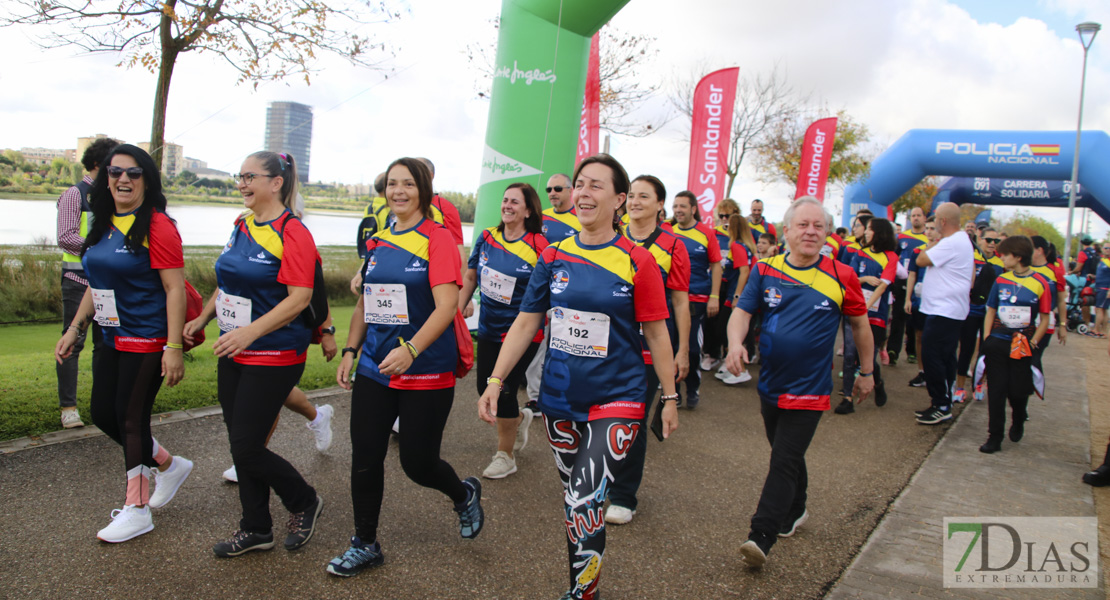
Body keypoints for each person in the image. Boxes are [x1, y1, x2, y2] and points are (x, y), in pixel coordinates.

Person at [477, 154, 679, 600]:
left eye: (596, 186)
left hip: (619, 399)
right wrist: (495, 380)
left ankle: (582, 594)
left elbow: (658, 333)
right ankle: (584, 585)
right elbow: (527, 322)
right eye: (579, 184)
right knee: (577, 497)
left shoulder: (637, 261)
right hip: (560, 400)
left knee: (583, 499)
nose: (583, 193)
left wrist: (668, 397)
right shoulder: (553, 255)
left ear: (620, 200)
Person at [328, 158, 481, 577]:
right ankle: (365, 542)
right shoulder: (377, 242)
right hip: (377, 368)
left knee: (418, 463)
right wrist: (350, 349)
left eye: (408, 184)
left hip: (426, 368)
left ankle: (462, 493)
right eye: (392, 184)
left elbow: (448, 306)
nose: (398, 191)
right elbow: (367, 302)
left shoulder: (438, 239)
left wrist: (411, 350)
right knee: (366, 454)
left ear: (424, 190)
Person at [182, 151, 322, 558]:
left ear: (276, 183)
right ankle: (256, 528)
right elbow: (228, 283)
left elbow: (300, 298)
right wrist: (205, 318)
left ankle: (304, 500)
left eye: (250, 176)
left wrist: (250, 332)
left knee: (245, 447)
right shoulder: (242, 225)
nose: (241, 183)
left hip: (275, 352)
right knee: (243, 443)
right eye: (238, 176)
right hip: (234, 349)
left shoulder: (293, 232)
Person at [724, 196, 874, 568]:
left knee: (783, 460)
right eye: (803, 225)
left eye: (818, 226)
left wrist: (867, 372)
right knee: (785, 454)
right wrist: (734, 344)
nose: (810, 232)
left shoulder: (842, 275)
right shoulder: (764, 270)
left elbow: (860, 326)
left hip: (811, 388)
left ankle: (761, 535)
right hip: (770, 384)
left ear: (826, 234)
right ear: (786, 231)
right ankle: (798, 506)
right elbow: (742, 312)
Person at [54, 144, 193, 543]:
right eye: (115, 173)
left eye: (133, 173)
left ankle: (137, 509)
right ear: (105, 179)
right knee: (103, 414)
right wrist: (75, 328)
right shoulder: (102, 222)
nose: (123, 180)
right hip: (109, 334)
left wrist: (173, 347)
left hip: (147, 338)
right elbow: (96, 283)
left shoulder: (158, 226)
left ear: (146, 179)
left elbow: (174, 289)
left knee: (132, 419)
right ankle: (168, 464)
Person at [606, 173, 690, 525]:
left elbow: (681, 303)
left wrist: (682, 350)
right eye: (632, 196)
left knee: (632, 420)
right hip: (605, 346)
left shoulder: (673, 246)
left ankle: (624, 495)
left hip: (647, 349)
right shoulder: (609, 236)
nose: (635, 202)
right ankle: (599, 479)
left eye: (645, 196)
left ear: (660, 205)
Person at [459, 182, 549, 479]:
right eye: (505, 200)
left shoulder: (539, 246)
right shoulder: (488, 237)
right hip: (488, 328)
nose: (507, 206)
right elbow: (471, 275)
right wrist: (459, 309)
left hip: (523, 333)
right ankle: (520, 419)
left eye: (515, 202)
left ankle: (505, 455)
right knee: (483, 387)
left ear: (528, 210)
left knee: (506, 390)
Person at [55, 136, 118, 429]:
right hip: (77, 279)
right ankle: (68, 408)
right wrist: (101, 249)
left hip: (105, 285)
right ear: (97, 164)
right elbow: (66, 236)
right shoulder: (74, 194)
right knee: (73, 343)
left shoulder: (114, 197)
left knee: (104, 345)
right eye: (112, 164)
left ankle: (101, 405)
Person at [977, 236, 1051, 453]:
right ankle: (995, 436)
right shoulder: (1000, 280)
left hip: (1022, 344)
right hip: (998, 342)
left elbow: (1045, 318)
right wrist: (987, 339)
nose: (1001, 257)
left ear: (1018, 257)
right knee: (997, 390)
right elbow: (991, 310)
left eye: (1005, 254)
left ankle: (1018, 419)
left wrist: (1034, 342)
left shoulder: (1041, 283)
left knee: (1018, 391)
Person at [914, 202, 975, 425]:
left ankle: (940, 403)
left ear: (943, 221)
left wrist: (931, 243)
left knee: (933, 357)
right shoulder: (959, 241)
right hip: (947, 309)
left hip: (945, 311)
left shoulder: (951, 242)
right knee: (946, 357)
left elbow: (920, 260)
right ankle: (943, 402)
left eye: (936, 219)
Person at [526, 173, 581, 415]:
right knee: (537, 343)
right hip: (541, 290)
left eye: (558, 188)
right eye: (549, 189)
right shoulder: (542, 217)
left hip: (571, 293)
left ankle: (566, 393)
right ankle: (535, 397)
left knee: (564, 345)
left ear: (570, 190)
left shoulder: (581, 217)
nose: (552, 193)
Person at [665, 191, 722, 408]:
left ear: (693, 209)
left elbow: (716, 265)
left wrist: (714, 296)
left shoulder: (706, 233)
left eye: (682, 206)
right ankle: (674, 392)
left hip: (697, 299)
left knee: (691, 348)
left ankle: (693, 388)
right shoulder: (667, 231)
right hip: (671, 299)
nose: (678, 210)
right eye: (675, 206)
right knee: (669, 345)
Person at [835, 218, 897, 414]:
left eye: (869, 229)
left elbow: (883, 285)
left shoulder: (891, 258)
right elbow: (850, 277)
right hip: (855, 309)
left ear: (879, 233)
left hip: (876, 313)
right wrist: (864, 280)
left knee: (866, 356)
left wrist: (866, 306)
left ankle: (876, 382)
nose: (866, 233)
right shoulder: (860, 253)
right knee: (850, 355)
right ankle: (847, 398)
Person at [701, 198, 740, 373]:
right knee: (710, 322)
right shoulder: (713, 234)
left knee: (727, 324)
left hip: (733, 285)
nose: (725, 219)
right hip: (714, 284)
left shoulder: (741, 235)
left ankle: (728, 356)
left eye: (728, 216)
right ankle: (711, 353)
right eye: (722, 216)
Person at [888, 207, 928, 365]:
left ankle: (912, 351)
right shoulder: (902, 237)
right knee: (898, 316)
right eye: (913, 216)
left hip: (920, 282)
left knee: (913, 319)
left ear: (925, 218)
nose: (916, 218)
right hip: (902, 280)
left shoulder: (929, 238)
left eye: (919, 215)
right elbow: (893, 257)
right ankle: (893, 351)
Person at [905, 217, 939, 389]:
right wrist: (908, 298)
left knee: (934, 338)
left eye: (933, 228)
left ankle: (936, 373)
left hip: (938, 303)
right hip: (919, 300)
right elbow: (912, 274)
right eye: (928, 228)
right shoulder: (918, 251)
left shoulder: (945, 250)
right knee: (919, 335)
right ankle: (922, 371)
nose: (930, 231)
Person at [1029, 237, 1069, 375]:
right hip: (1023, 319)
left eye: (1030, 247)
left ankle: (1033, 387)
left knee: (1034, 357)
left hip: (1044, 321)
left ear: (1039, 250)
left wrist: (1062, 325)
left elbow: (1061, 300)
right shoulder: (1023, 267)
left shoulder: (1055, 271)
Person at [1091, 242, 1110, 337]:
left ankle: (1097, 330)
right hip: (1099, 287)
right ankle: (1103, 331)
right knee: (1103, 309)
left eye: (1108, 248)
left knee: (1099, 309)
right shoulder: (1102, 260)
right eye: (1105, 248)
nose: (1106, 249)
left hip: (1105, 288)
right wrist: (1093, 276)